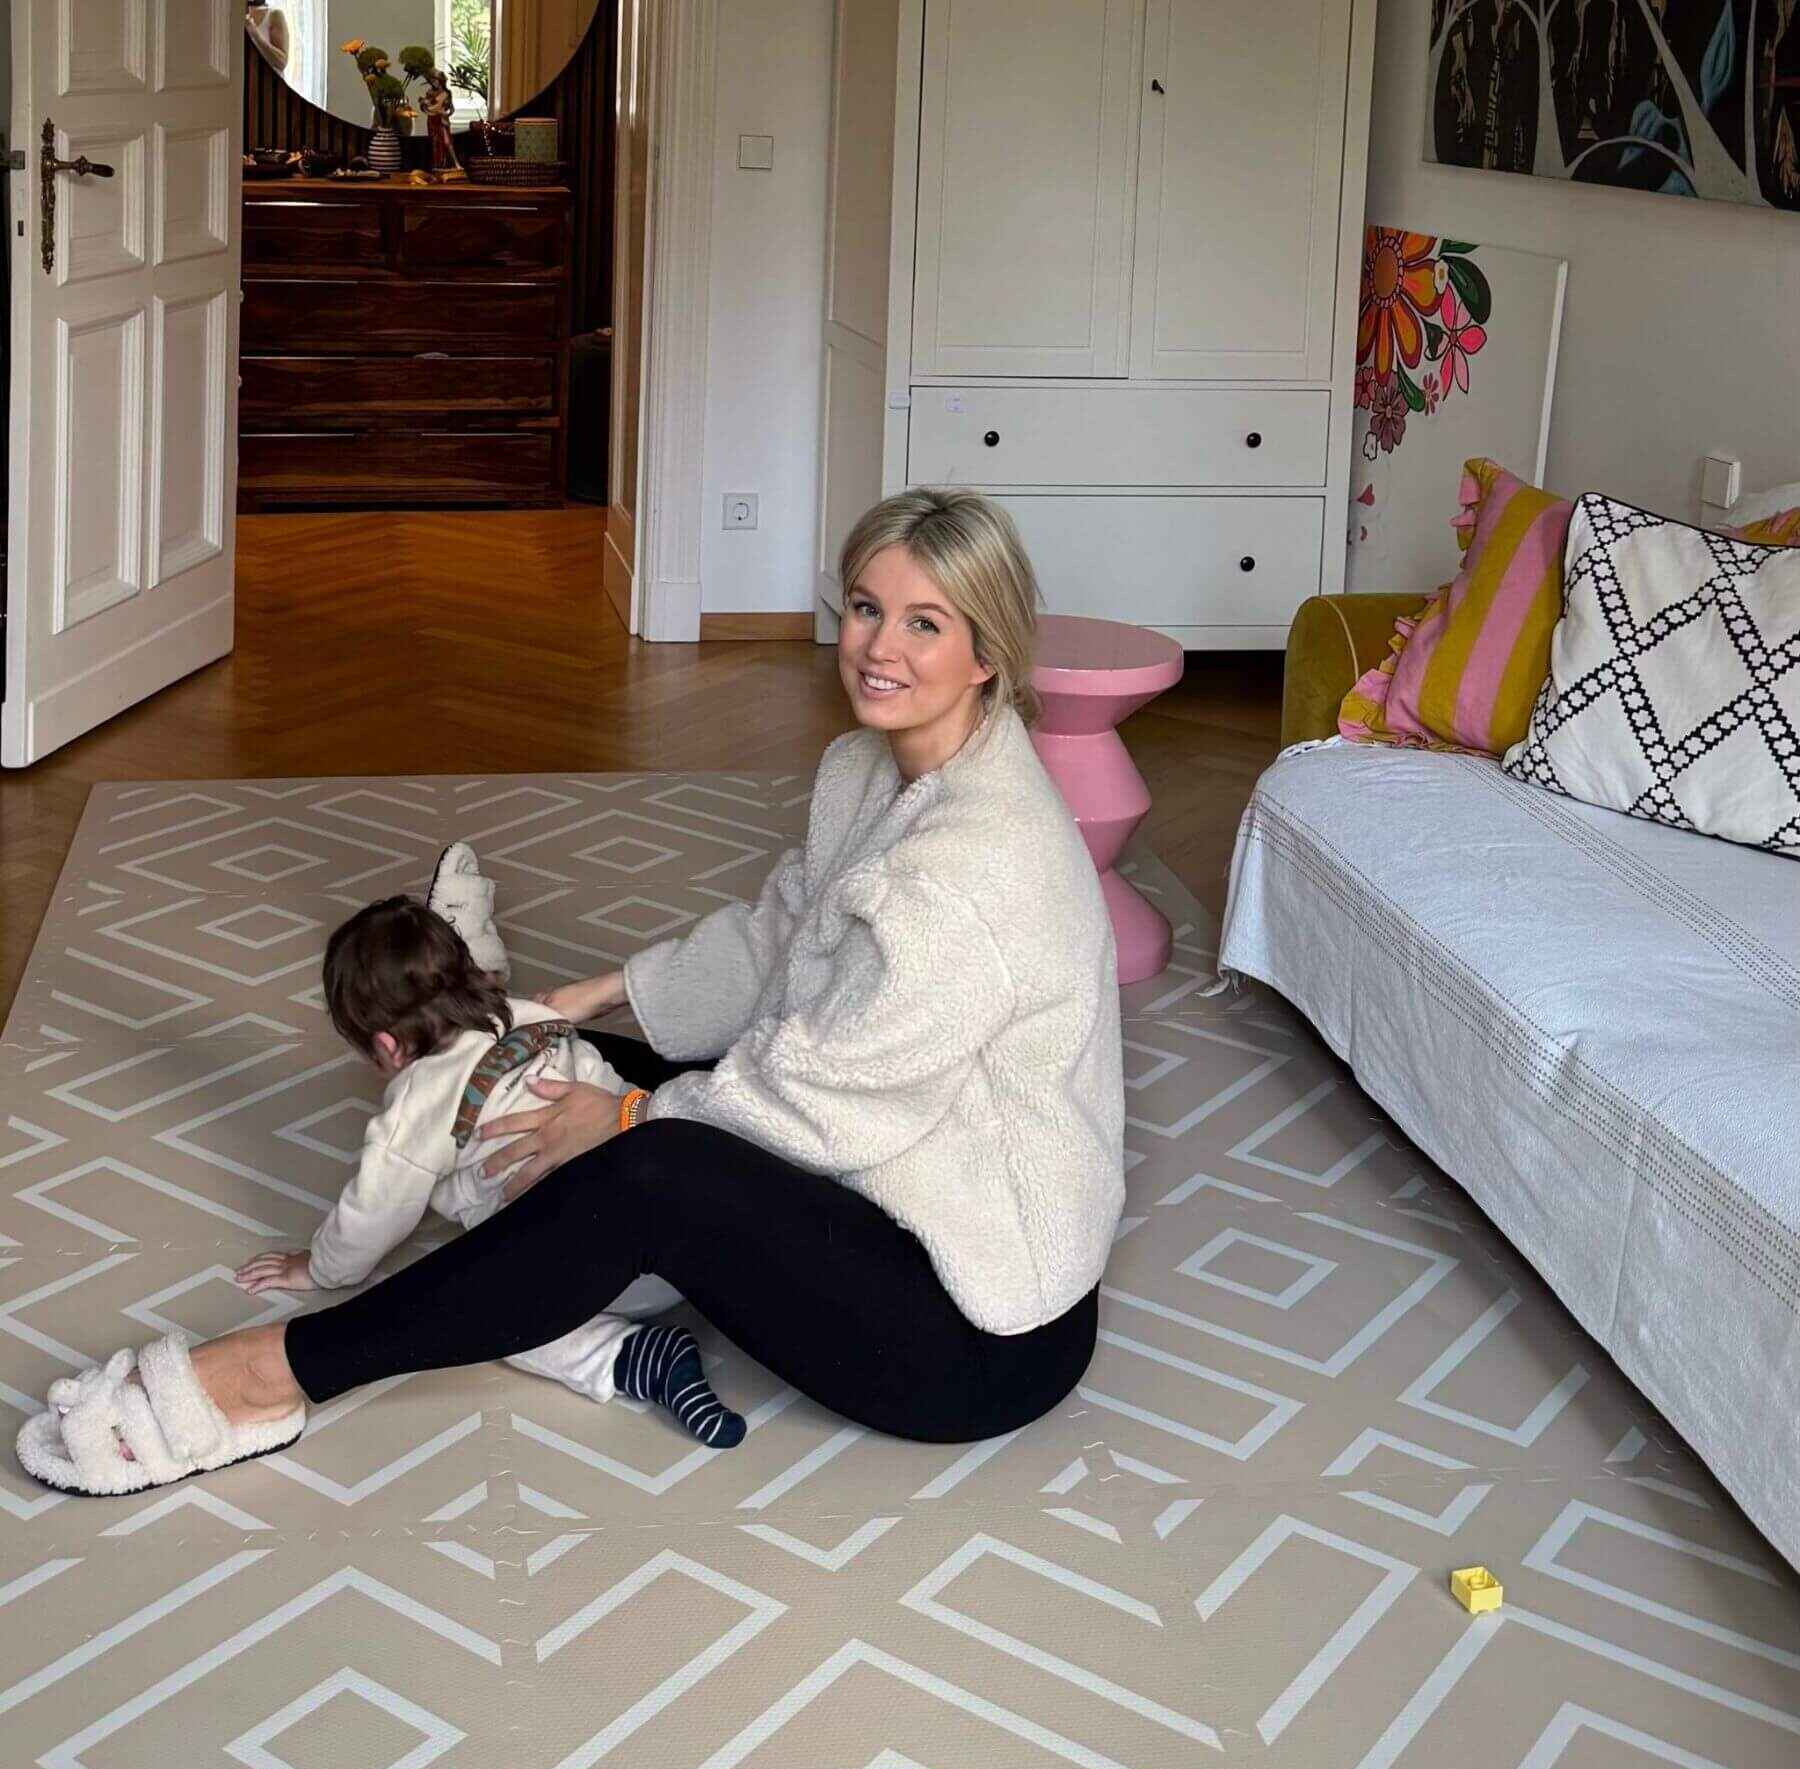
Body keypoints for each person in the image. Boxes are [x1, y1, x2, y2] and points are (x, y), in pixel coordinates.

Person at [17, 486, 1127, 1496]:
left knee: (650, 1162)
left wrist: (633, 1118)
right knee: (558, 1073)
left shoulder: (966, 876)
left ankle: (272, 1376)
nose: (878, 649)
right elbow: (778, 939)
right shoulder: (870, 769)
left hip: (975, 1332)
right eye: (864, 608)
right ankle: (527, 1221)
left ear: (987, 653)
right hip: (897, 1177)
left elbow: (828, 1098)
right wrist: (575, 1005)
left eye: (923, 624)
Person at [230, 894, 739, 1445]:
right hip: (690, 1230)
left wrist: (319, 1269)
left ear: (386, 1045)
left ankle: (625, 1358)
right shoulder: (536, 1017)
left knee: (490, 1313)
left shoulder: (415, 1109)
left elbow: (374, 1212)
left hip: (609, 1275)